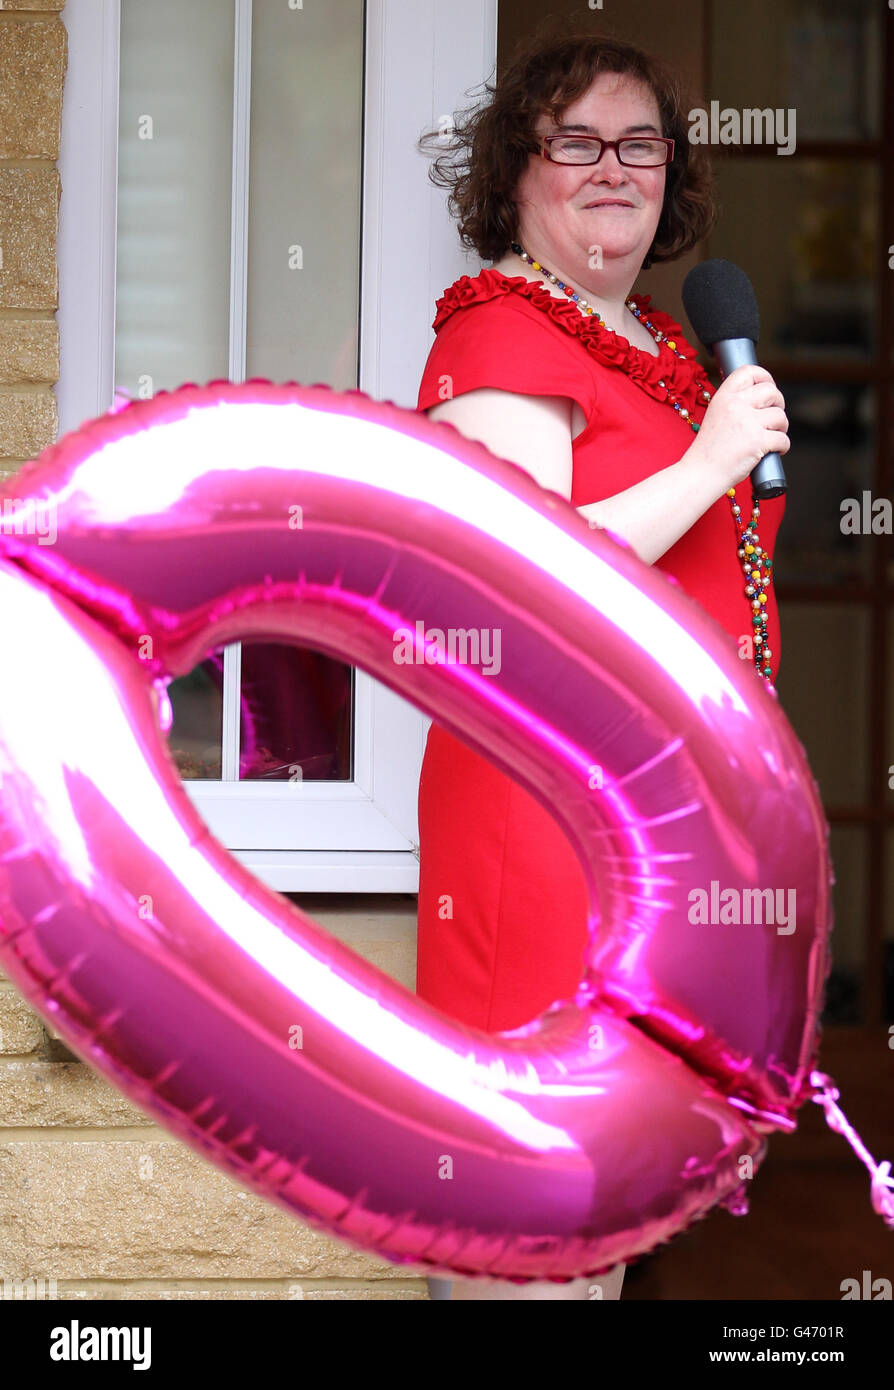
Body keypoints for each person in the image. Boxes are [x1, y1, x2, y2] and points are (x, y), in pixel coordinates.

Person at [413, 27, 790, 1302]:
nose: (612, 167)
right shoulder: (502, 330)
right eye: (575, 142)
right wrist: (707, 469)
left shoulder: (669, 355)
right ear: (514, 172)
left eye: (639, 143)